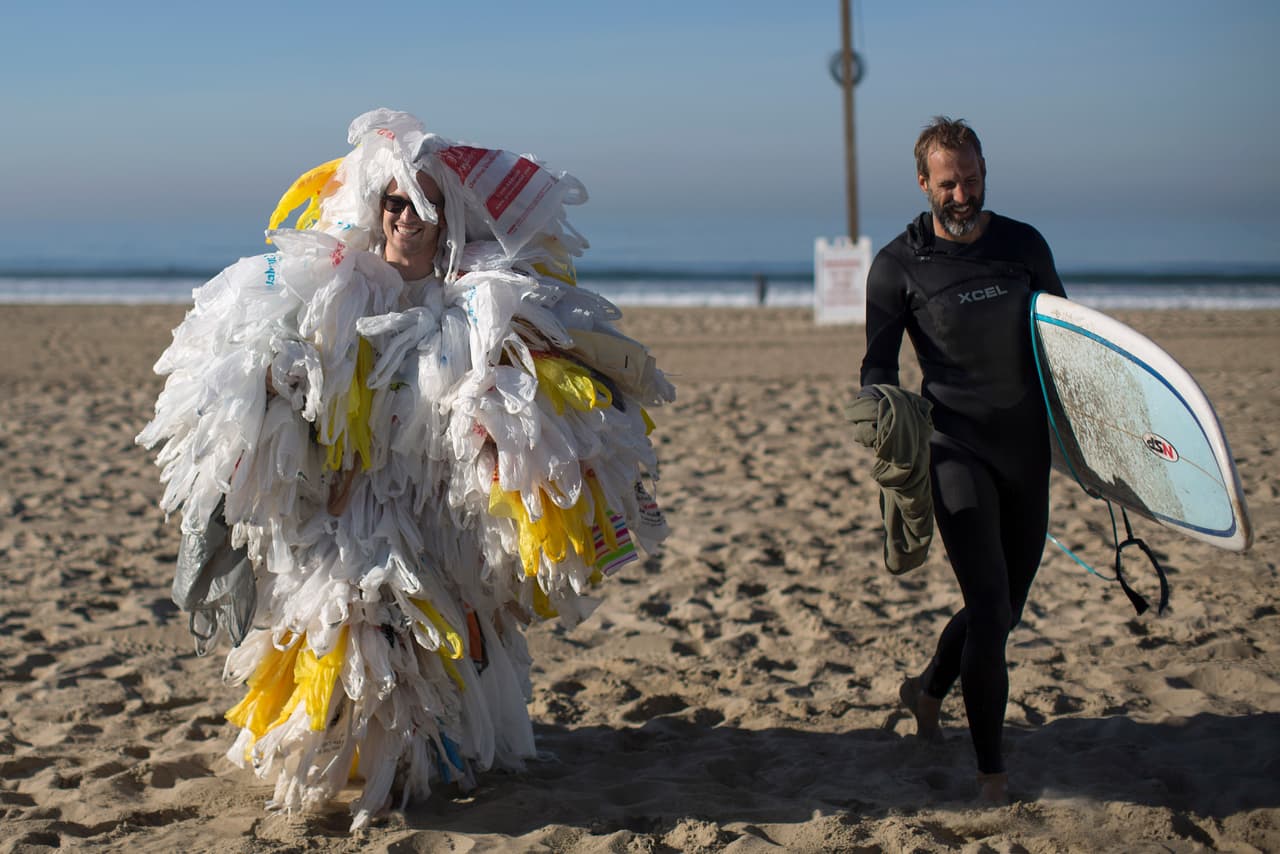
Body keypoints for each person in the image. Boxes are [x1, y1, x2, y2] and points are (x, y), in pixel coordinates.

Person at [138, 109, 674, 830]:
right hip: (347, 503)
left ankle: (417, 763)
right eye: (396, 202)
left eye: (425, 203)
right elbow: (293, 376)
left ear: (445, 215)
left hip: (437, 509)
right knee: (353, 623)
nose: (409, 216)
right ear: (376, 208)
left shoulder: (476, 300)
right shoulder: (335, 285)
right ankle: (367, 770)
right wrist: (278, 386)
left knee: (440, 637)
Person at [859, 116, 1066, 803]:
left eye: (971, 179)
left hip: (1026, 451)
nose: (962, 194)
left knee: (1002, 611)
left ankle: (926, 689)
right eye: (948, 183)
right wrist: (886, 429)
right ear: (923, 183)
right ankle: (992, 776)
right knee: (986, 605)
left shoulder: (1023, 244)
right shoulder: (898, 265)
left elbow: (1066, 346)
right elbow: (878, 371)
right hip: (956, 450)